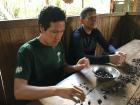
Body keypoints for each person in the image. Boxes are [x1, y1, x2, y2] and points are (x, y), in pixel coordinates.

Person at [14, 6, 90, 104]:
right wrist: (56, 90)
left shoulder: (58, 44)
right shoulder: (26, 51)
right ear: (41, 28)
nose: (58, 37)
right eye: (54, 32)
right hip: (38, 100)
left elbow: (62, 67)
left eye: (61, 31)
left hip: (58, 96)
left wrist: (76, 67)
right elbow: (19, 92)